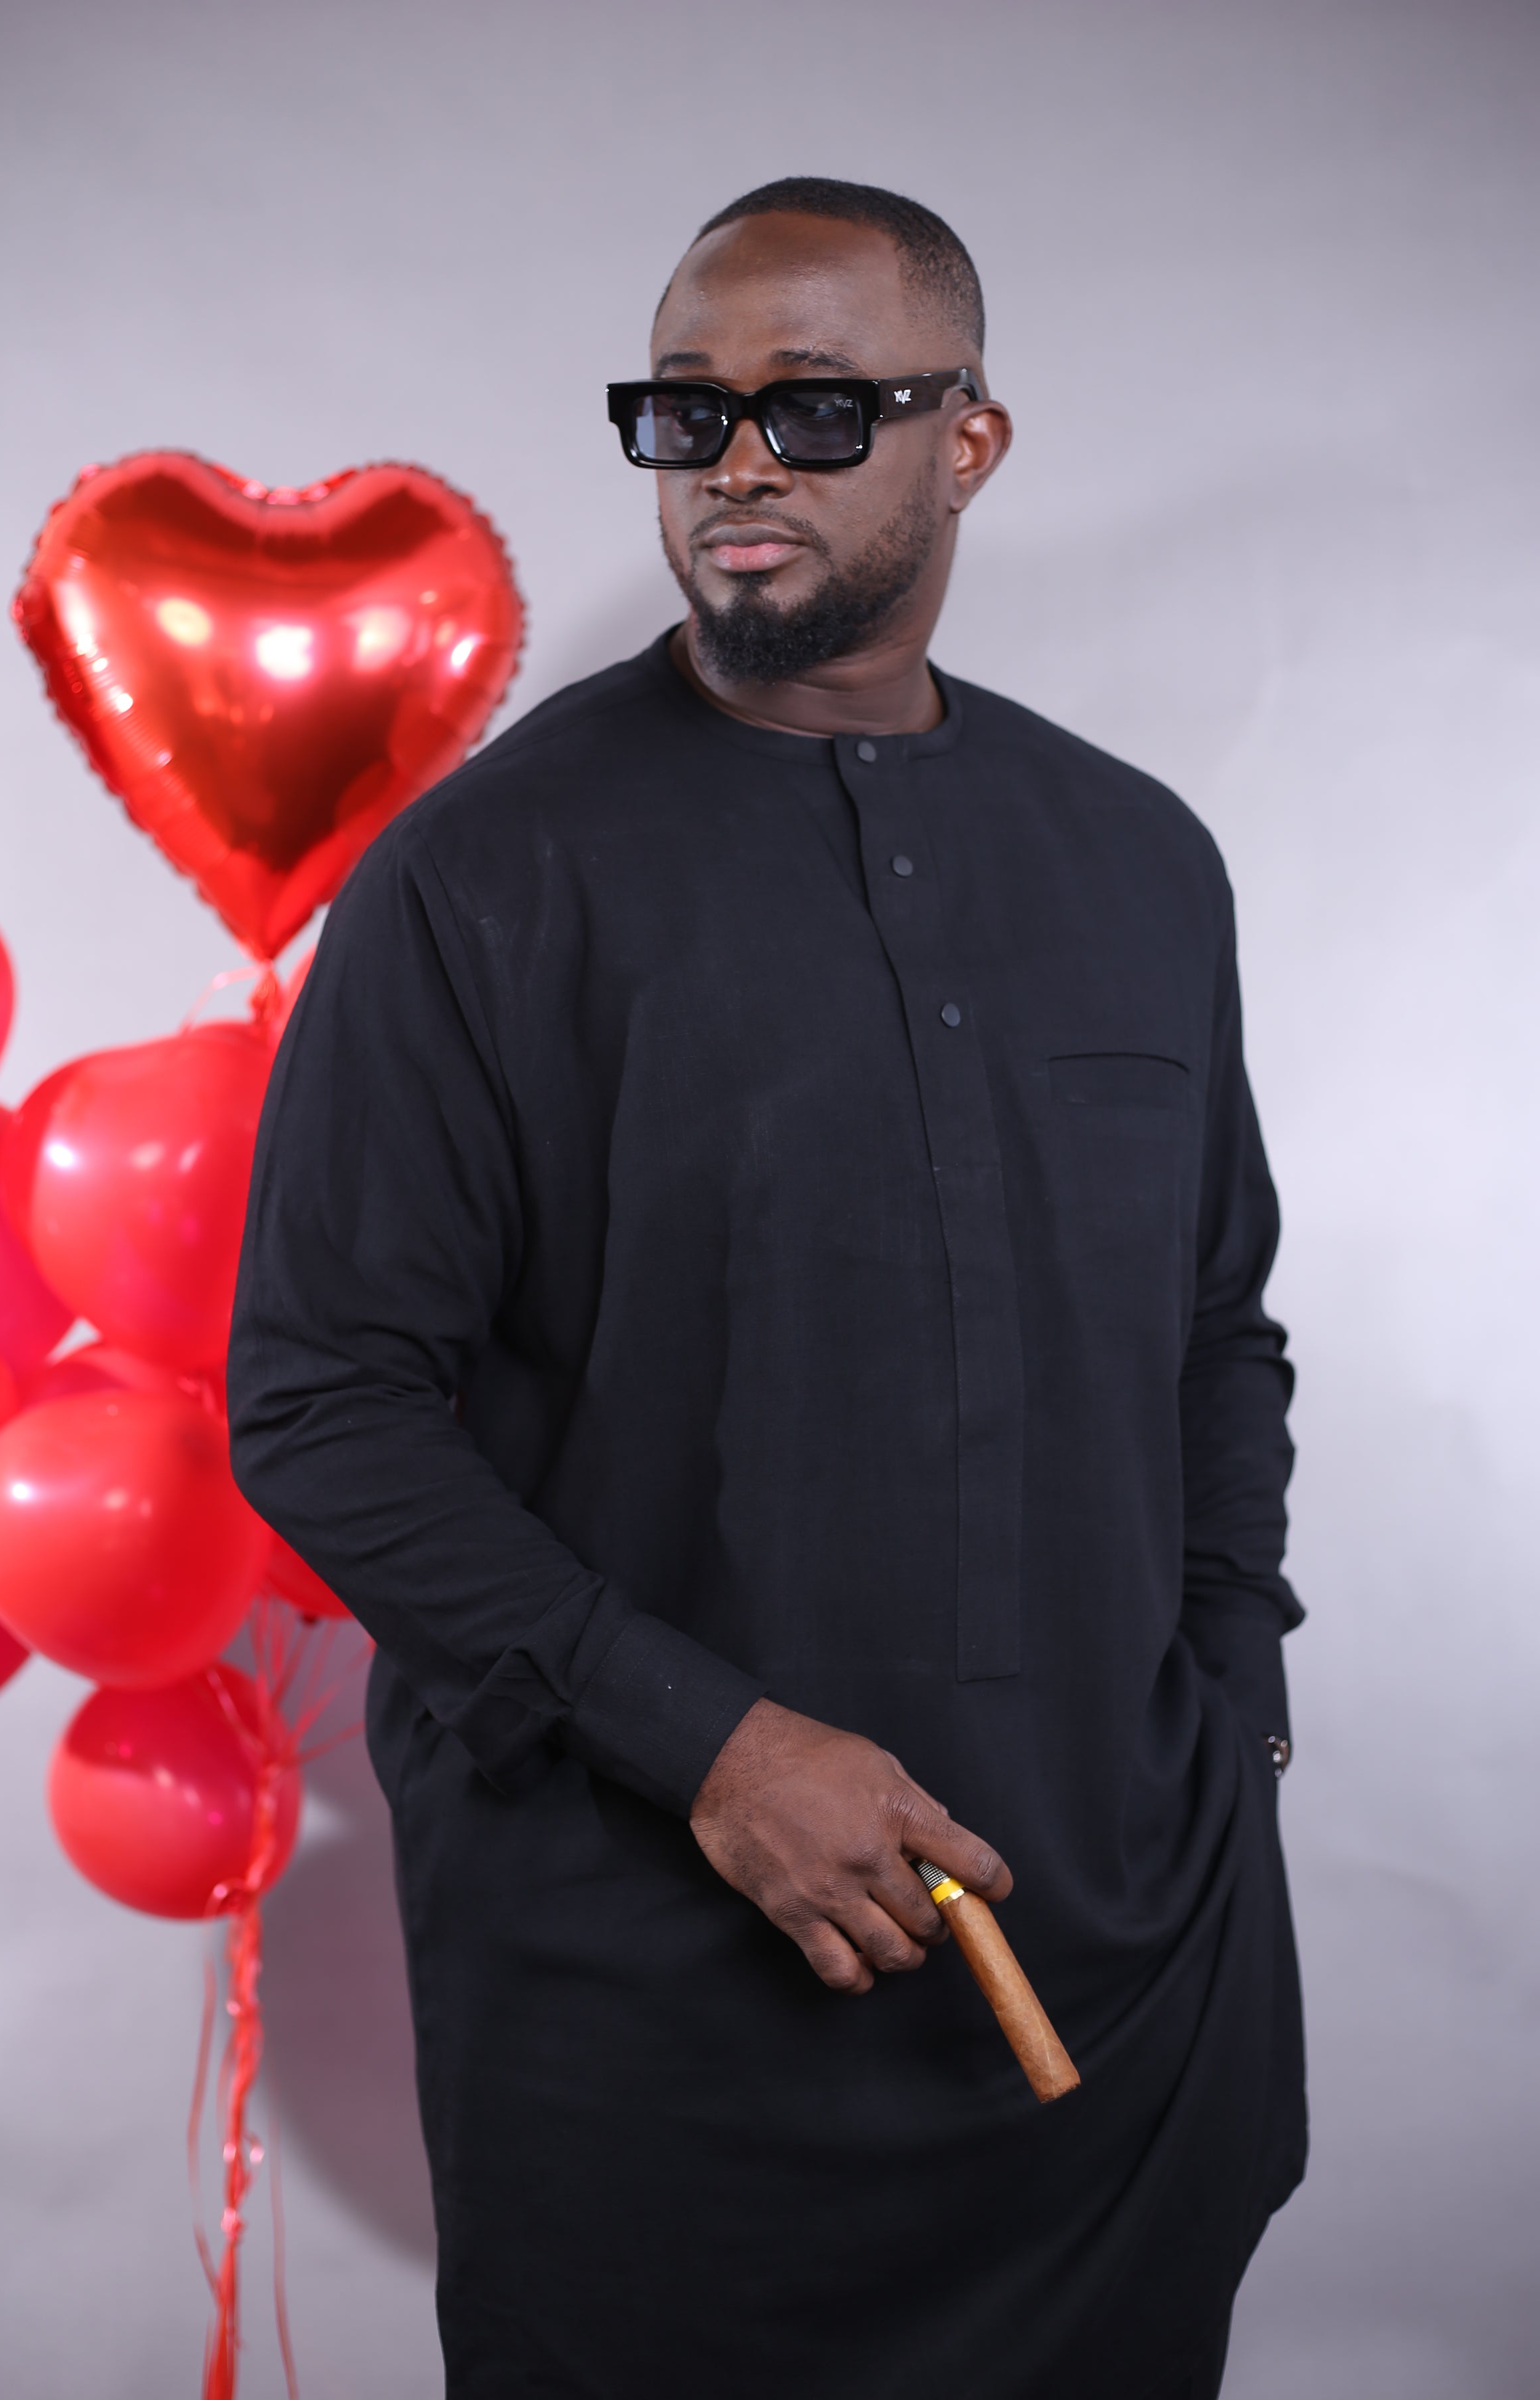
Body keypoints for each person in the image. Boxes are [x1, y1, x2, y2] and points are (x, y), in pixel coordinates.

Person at [228, 176, 1305, 2400]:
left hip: (1117, 1974)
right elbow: (324, 1404)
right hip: (649, 2010)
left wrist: (1233, 1709)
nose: (734, 460)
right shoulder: (479, 878)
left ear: (967, 442)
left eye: (815, 408)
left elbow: (1217, 1331)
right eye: (685, 409)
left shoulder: (1138, 860)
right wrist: (711, 1746)